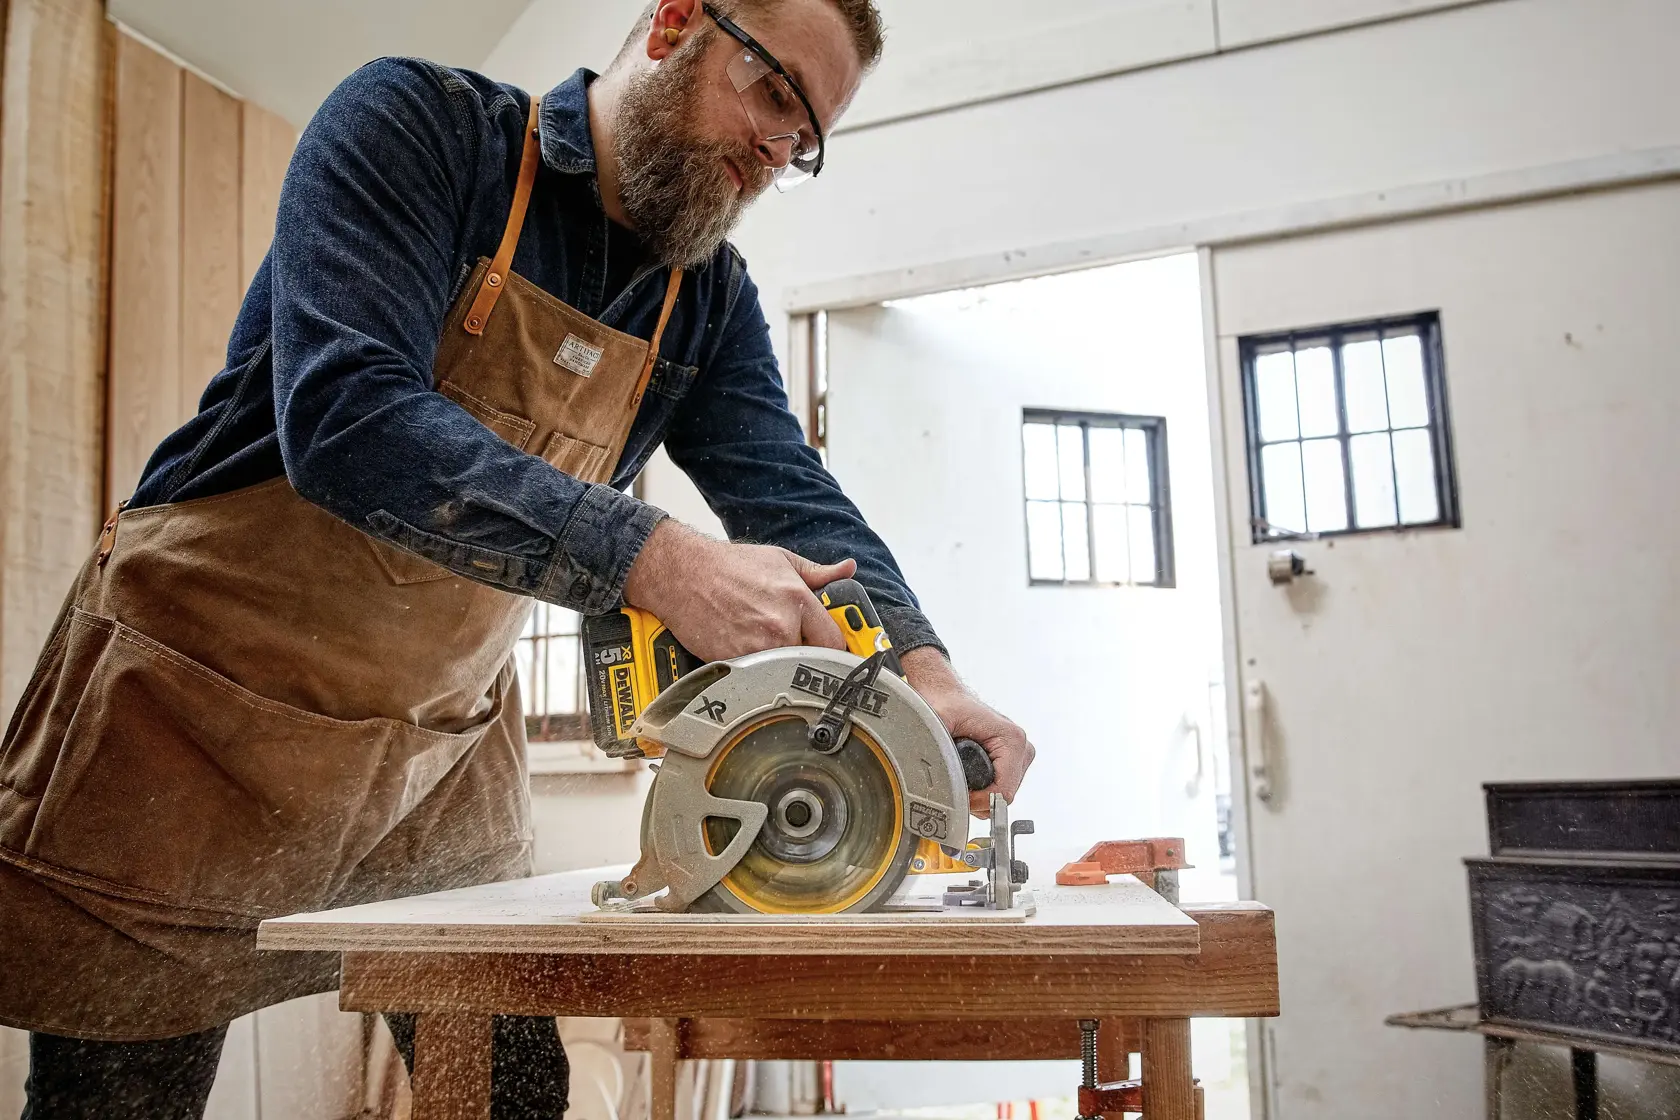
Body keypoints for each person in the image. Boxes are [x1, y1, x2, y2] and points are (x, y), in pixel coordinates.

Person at [0, 0, 1036, 1114]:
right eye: (772, 93)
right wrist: (653, 554)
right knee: (124, 1093)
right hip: (195, 714)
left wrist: (925, 676)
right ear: (678, 20)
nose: (770, 152)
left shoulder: (707, 300)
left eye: (802, 143)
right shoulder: (420, 128)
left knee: (511, 1091)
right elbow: (348, 417)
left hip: (425, 757)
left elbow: (788, 489)